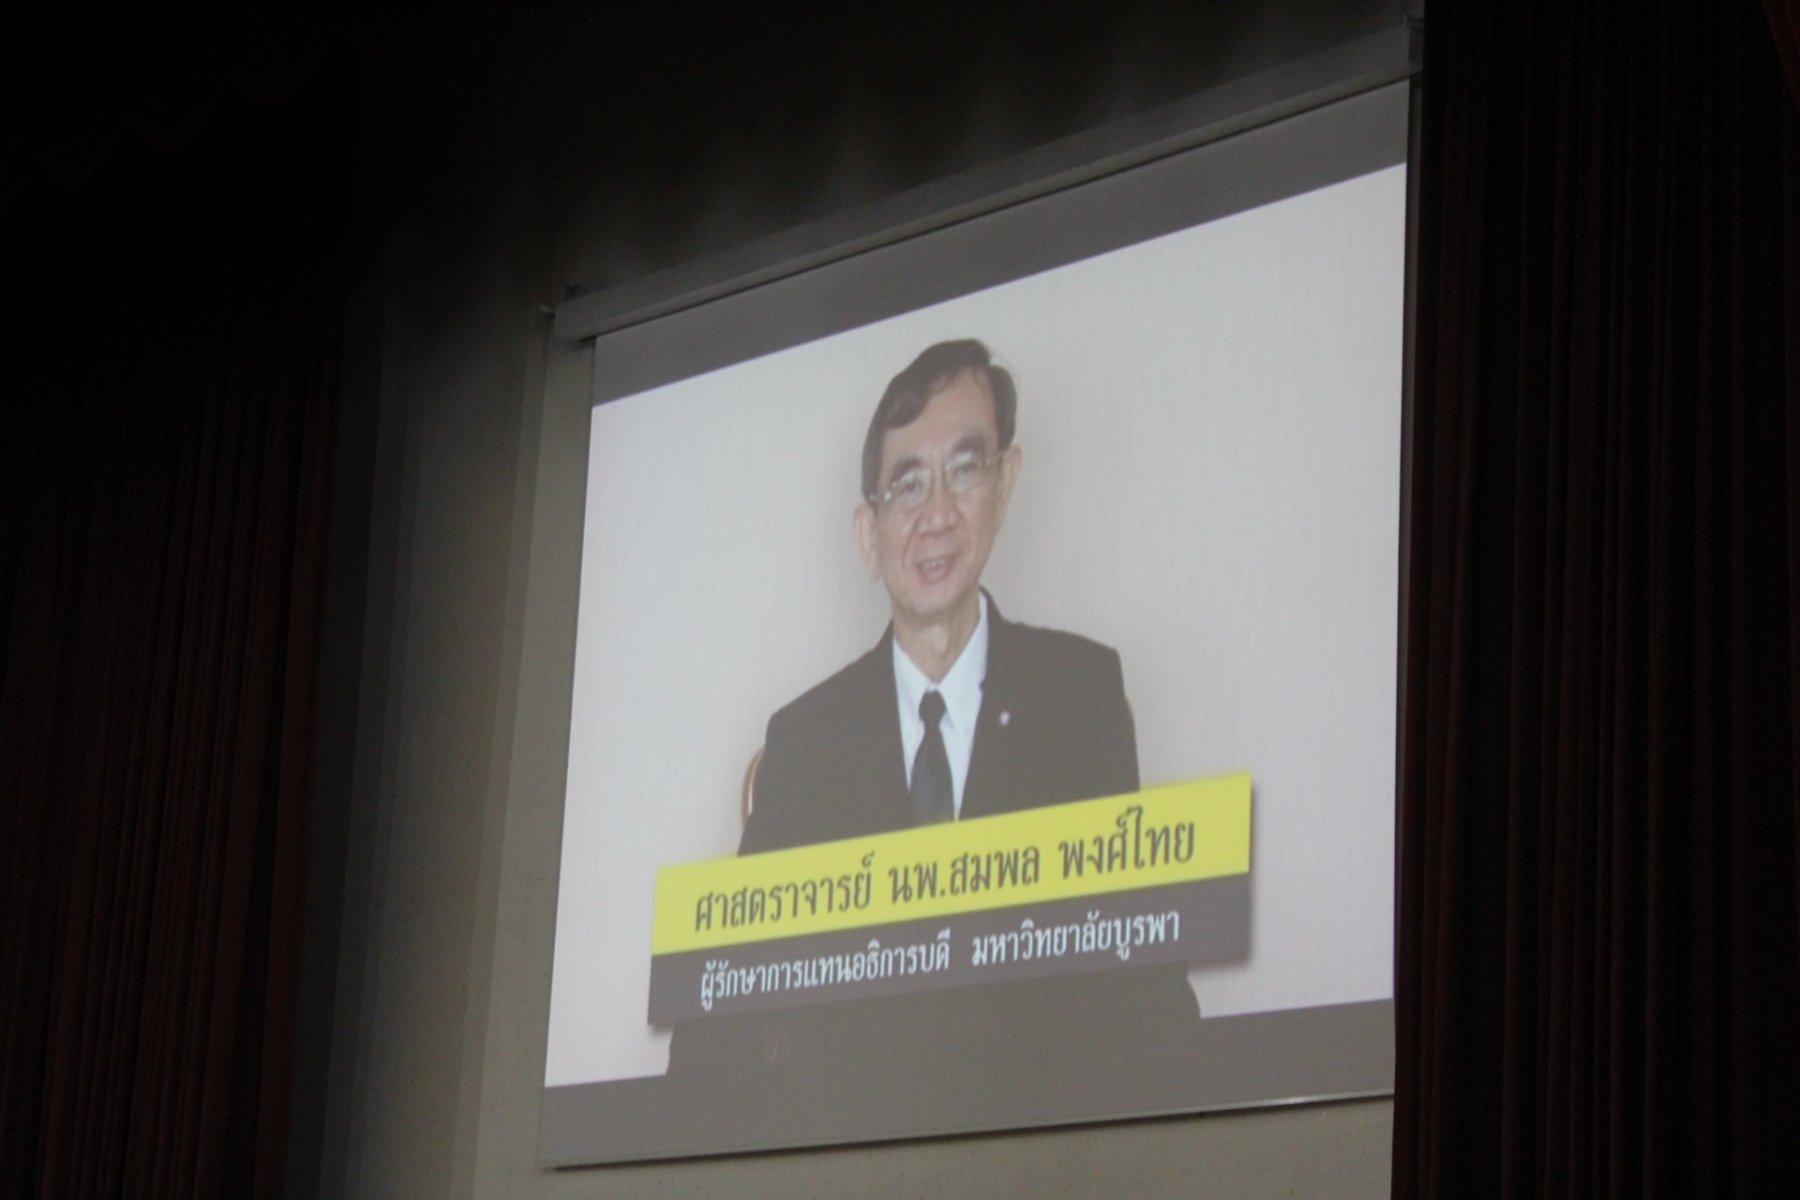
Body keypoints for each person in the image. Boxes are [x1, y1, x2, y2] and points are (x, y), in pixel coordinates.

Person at [667, 340, 1200, 1115]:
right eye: (908, 484)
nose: (938, 515)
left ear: (1005, 485)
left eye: (966, 468)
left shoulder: (1081, 696)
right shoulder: (805, 741)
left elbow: (1142, 989)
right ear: (869, 533)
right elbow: (717, 1025)